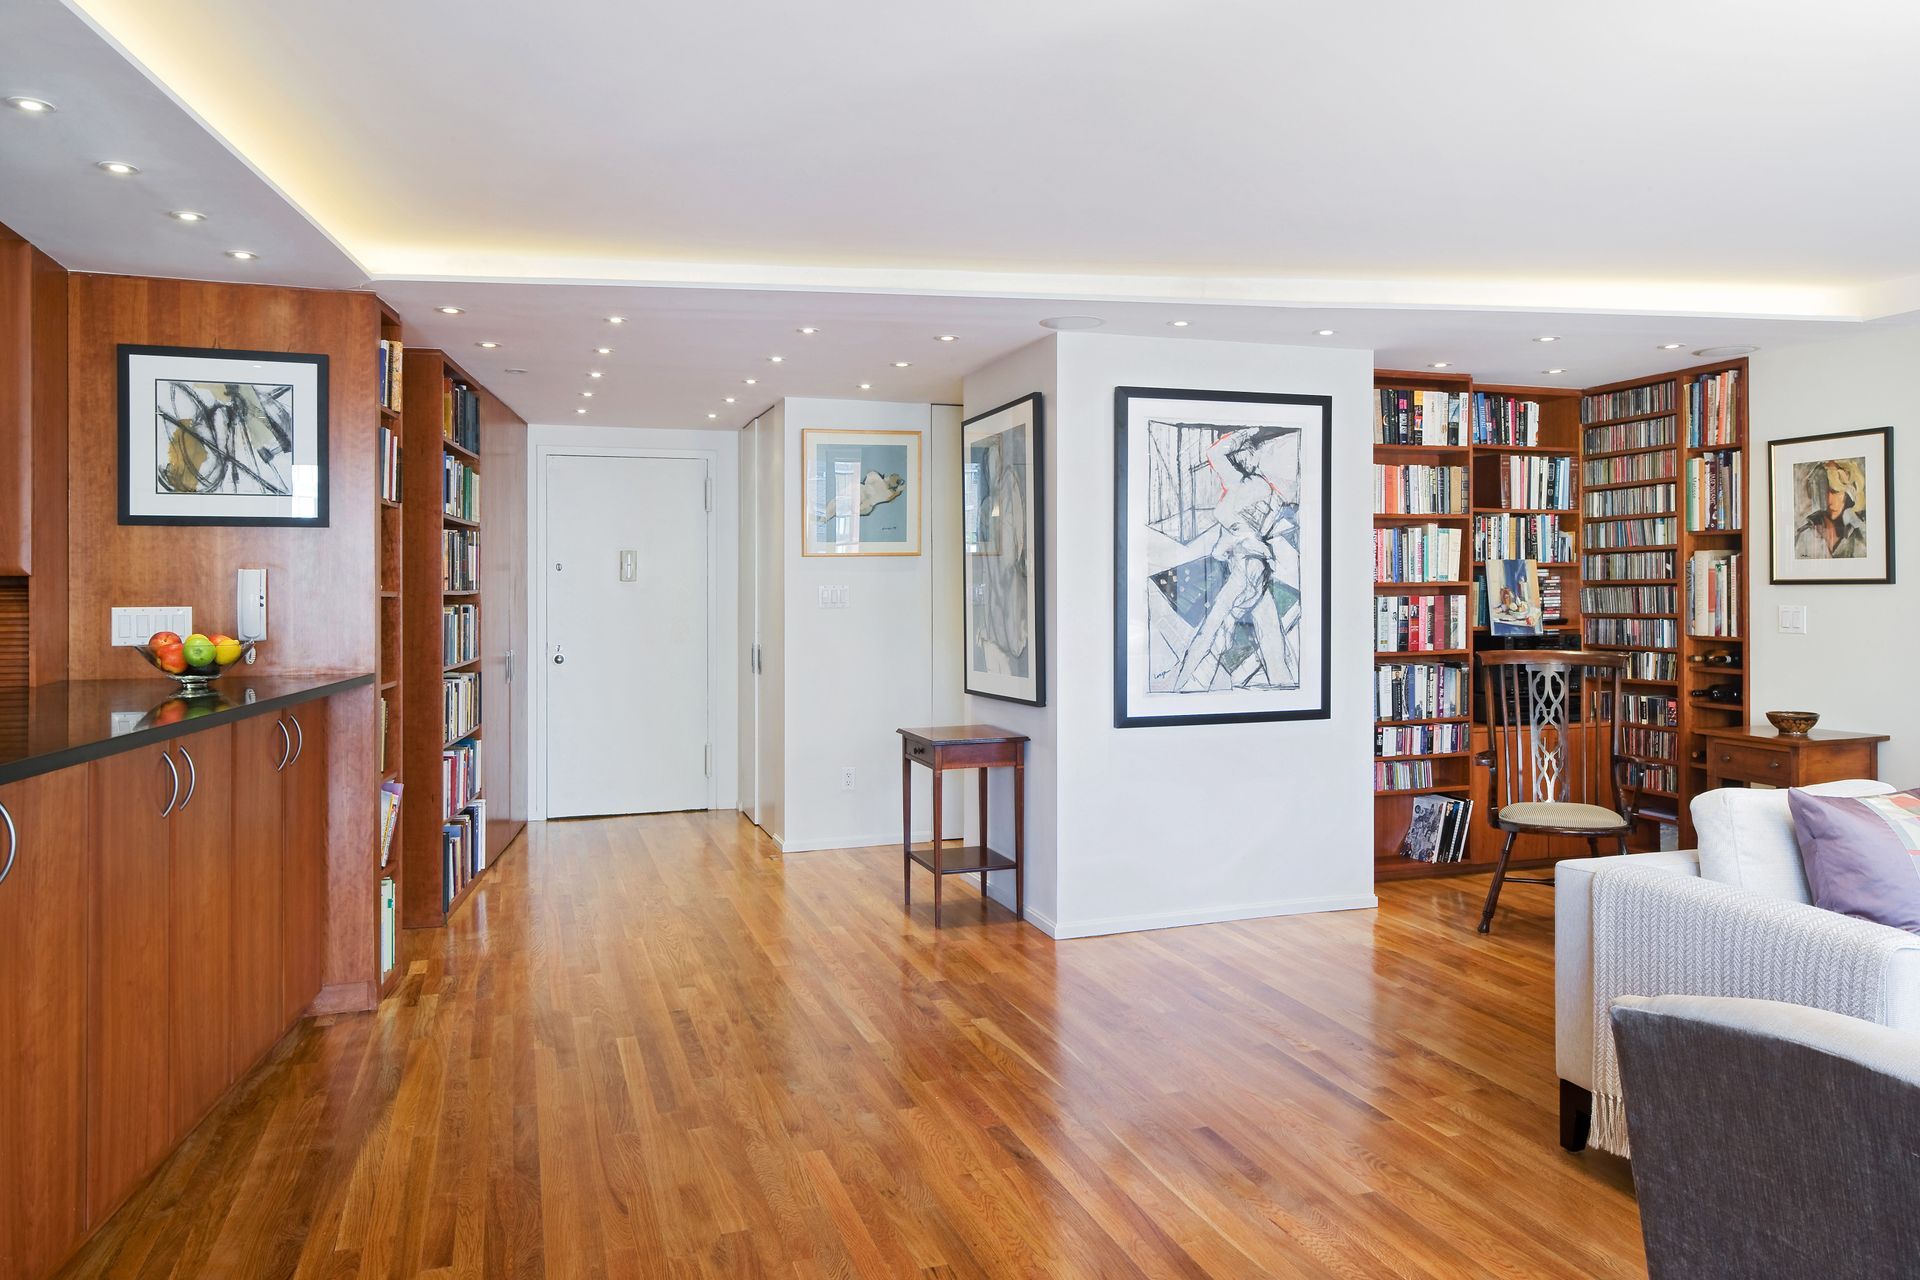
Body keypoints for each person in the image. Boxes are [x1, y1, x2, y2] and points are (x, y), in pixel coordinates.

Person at [1794, 458, 1868, 560]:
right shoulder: (1805, 535)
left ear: (1849, 493)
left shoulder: (1862, 534)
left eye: (1835, 492)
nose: (1829, 500)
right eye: (1823, 490)